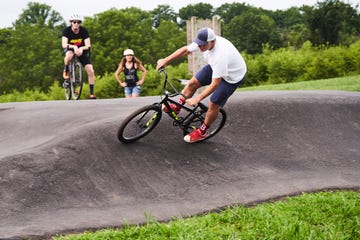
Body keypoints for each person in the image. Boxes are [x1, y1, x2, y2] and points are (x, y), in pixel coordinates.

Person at [156, 27, 247, 143]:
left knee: (214, 103)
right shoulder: (203, 42)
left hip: (232, 77)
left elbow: (215, 84)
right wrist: (166, 60)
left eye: (202, 45)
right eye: (198, 44)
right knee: (192, 83)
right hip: (216, 68)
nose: (199, 47)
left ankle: (202, 131)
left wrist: (197, 99)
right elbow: (186, 50)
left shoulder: (220, 56)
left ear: (212, 42)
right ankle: (177, 107)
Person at [62, 13, 96, 99]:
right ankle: (66, 69)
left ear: (80, 23)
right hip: (70, 49)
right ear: (71, 23)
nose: (76, 24)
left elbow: (88, 45)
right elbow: (64, 44)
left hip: (81, 52)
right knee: (69, 56)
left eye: (78, 22)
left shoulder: (84, 31)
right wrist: (73, 46)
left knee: (90, 70)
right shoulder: (67, 31)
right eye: (74, 22)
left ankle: (91, 93)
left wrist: (81, 49)